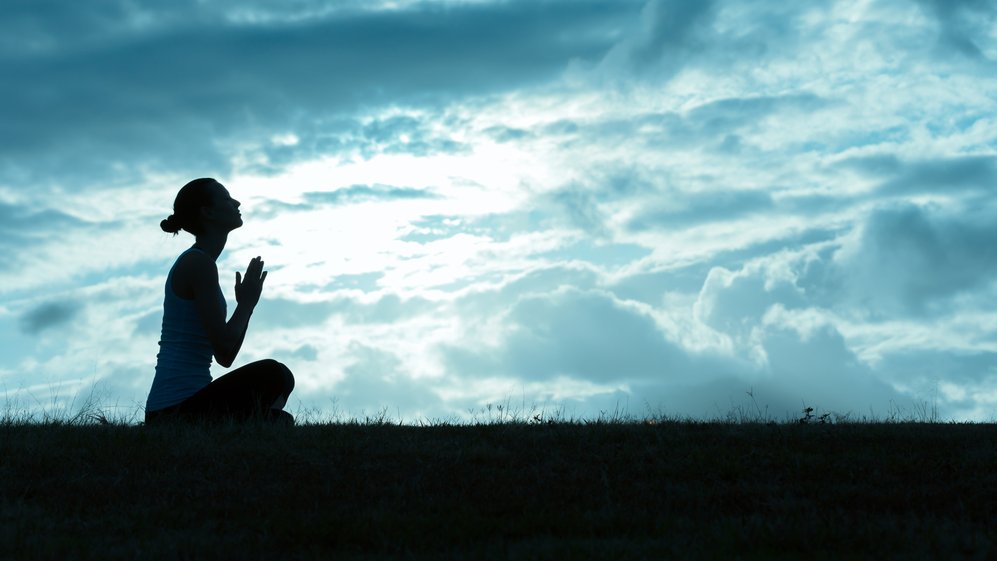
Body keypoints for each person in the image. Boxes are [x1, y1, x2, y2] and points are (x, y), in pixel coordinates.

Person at [145, 178, 295, 425]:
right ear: (208, 212)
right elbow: (224, 348)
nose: (236, 202)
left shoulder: (202, 263)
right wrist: (245, 304)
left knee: (280, 417)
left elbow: (225, 359)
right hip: (173, 412)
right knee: (275, 373)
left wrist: (248, 305)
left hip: (183, 408)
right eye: (226, 198)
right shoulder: (197, 263)